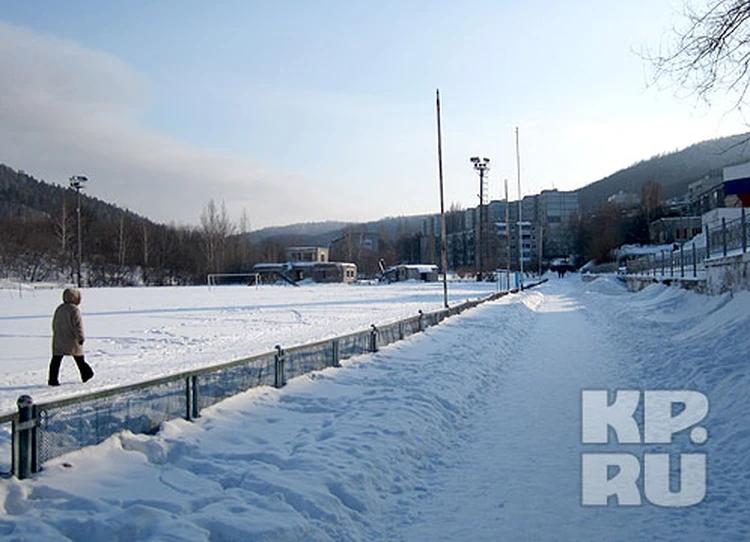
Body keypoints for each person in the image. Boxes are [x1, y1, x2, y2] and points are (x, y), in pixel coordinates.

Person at [48, 287, 94, 386]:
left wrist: (57, 333)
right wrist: (80, 338)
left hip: (59, 338)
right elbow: (78, 325)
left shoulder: (59, 308)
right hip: (72, 339)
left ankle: (52, 380)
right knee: (79, 358)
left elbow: (54, 323)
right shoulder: (74, 310)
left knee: (56, 360)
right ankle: (86, 374)